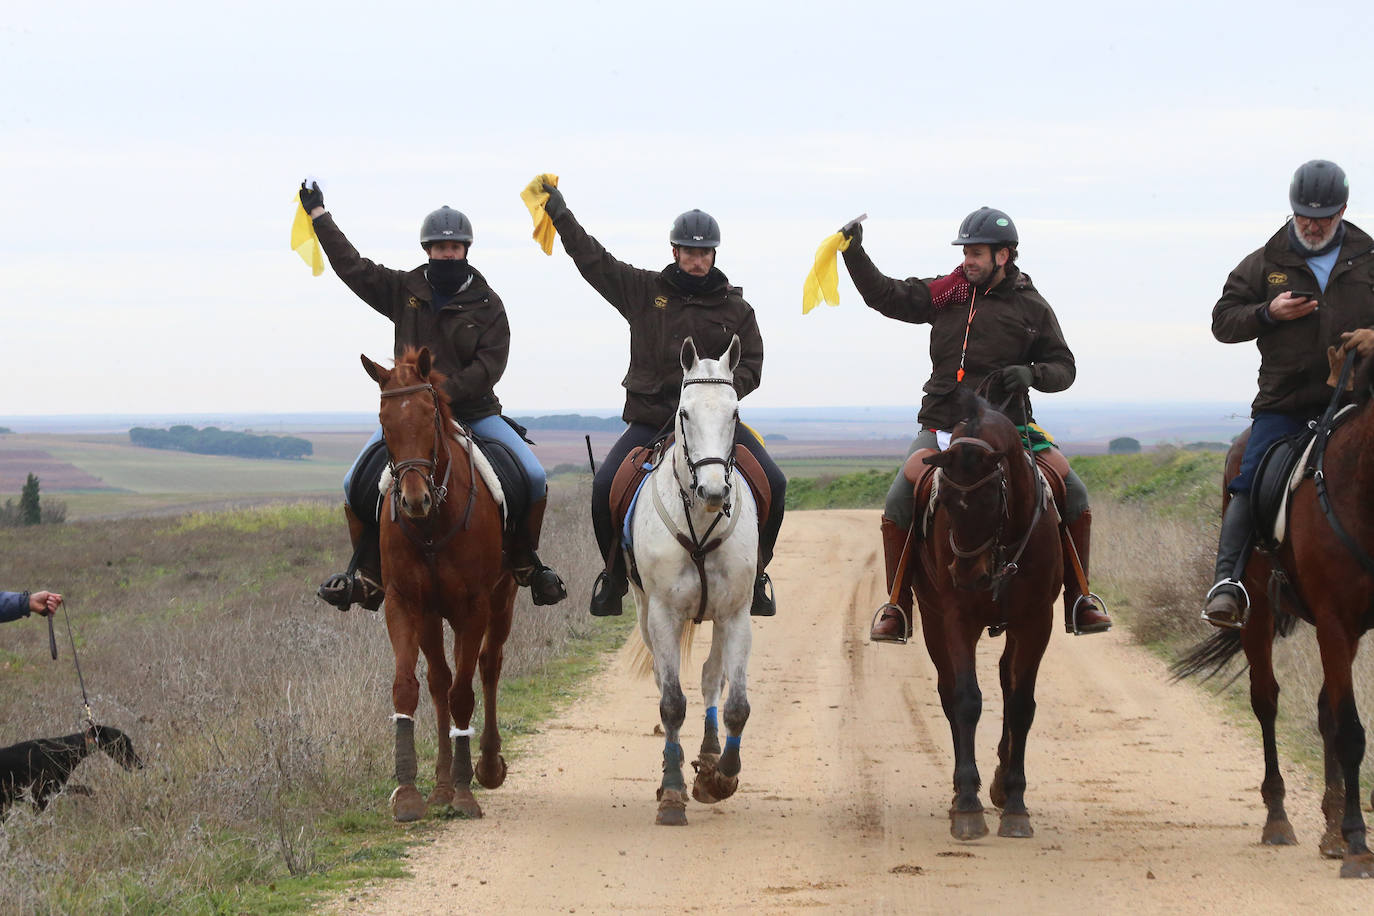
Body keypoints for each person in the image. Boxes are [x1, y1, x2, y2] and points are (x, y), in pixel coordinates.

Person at [840, 207, 1112, 642]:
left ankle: (1080, 599)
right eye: (966, 251)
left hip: (1011, 429)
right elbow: (886, 296)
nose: (969, 260)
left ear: (1004, 256)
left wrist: (1033, 375)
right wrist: (854, 253)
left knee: (1074, 493)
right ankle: (897, 606)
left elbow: (1065, 367)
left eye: (978, 253)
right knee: (897, 499)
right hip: (944, 424)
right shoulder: (946, 295)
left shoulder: (1032, 306)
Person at [300, 179, 566, 610]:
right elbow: (352, 266)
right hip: (413, 421)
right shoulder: (404, 290)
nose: (447, 253)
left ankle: (525, 561)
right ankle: (366, 572)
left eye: (455, 247)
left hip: (475, 413)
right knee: (354, 483)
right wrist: (319, 217)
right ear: (427, 249)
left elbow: (490, 364)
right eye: (440, 247)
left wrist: (442, 394)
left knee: (533, 477)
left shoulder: (487, 303)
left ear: (466, 249)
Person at [540, 180, 786, 617]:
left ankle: (758, 574)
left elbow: (753, 365)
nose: (697, 260)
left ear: (714, 254)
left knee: (776, 483)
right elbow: (593, 259)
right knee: (604, 488)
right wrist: (560, 214)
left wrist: (716, 398)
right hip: (651, 421)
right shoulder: (642, 291)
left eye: (704, 252)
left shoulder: (736, 310)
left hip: (713, 429)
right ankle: (613, 576)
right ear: (675, 252)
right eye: (689, 252)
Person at [1203, 159, 1374, 628]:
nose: (1313, 225)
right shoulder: (1264, 261)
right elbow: (1222, 321)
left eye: (1323, 216)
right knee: (1250, 475)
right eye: (1304, 215)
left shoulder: (1370, 257)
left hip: (1360, 400)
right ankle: (1229, 583)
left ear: (1343, 210)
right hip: (1287, 402)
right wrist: (1268, 313)